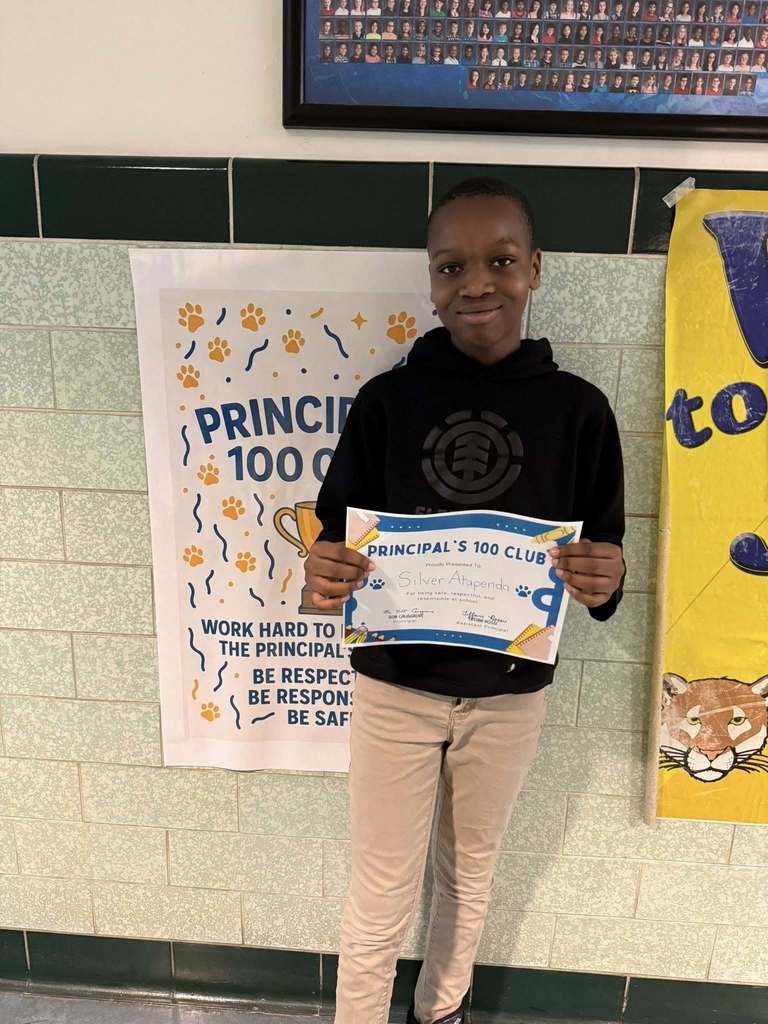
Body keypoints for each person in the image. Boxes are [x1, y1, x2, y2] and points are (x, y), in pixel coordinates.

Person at [307, 179, 626, 1024]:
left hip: (510, 696)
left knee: (469, 873)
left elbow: (604, 555)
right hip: (393, 691)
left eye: (501, 261)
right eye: (452, 266)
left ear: (536, 270)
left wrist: (607, 577)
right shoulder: (386, 403)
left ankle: (440, 1010)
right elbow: (334, 540)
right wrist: (324, 572)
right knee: (380, 889)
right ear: (430, 278)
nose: (477, 284)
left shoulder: (580, 412)